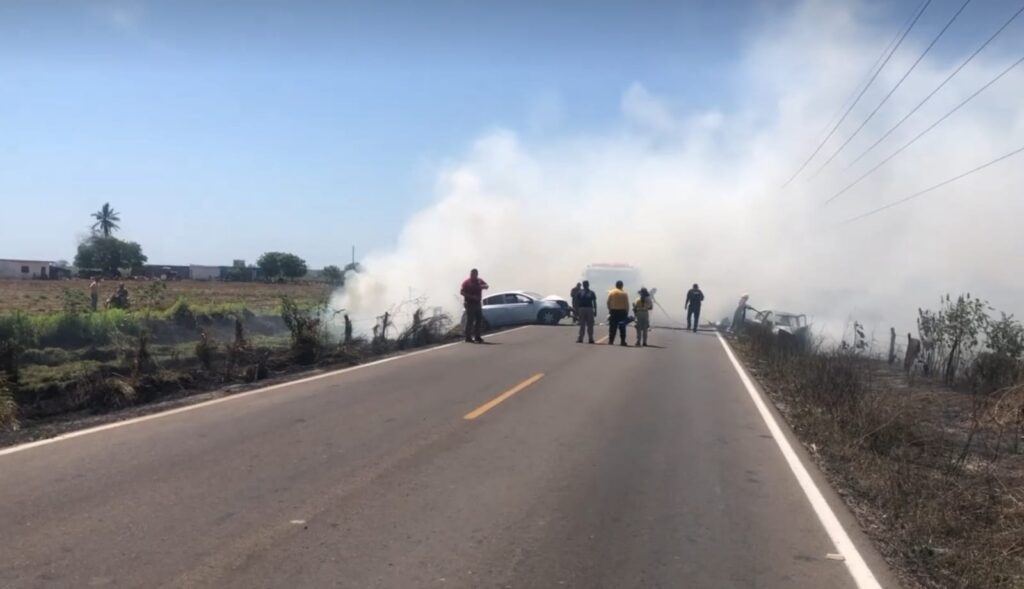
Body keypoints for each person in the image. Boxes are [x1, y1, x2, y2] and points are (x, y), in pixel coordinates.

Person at [460, 268, 489, 343]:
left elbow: (486, 285)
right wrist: (471, 296)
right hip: (469, 303)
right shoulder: (467, 282)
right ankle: (468, 337)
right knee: (470, 320)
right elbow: (462, 292)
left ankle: (477, 336)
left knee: (479, 320)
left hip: (478, 303)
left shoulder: (479, 281)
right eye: (472, 274)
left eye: (475, 274)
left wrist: (483, 286)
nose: (473, 275)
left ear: (477, 274)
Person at [607, 280, 630, 346]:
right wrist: (626, 313)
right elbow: (627, 304)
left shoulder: (611, 292)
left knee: (612, 327)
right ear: (622, 286)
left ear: (616, 285)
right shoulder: (624, 293)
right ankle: (622, 341)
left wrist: (610, 310)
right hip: (622, 312)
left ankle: (611, 341)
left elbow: (608, 302)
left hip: (613, 311)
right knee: (622, 327)